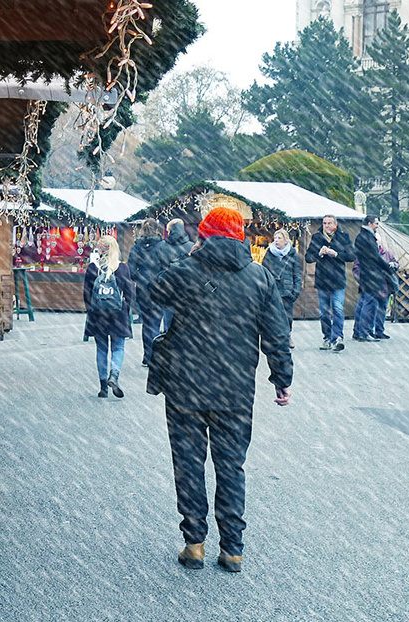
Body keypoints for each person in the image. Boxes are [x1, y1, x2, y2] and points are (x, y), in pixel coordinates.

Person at [147, 207, 293, 574]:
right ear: (241, 237)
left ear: (204, 236)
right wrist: (282, 378)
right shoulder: (260, 277)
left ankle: (194, 543)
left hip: (185, 388)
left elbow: (153, 291)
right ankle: (232, 550)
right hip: (236, 389)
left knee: (188, 465)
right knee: (231, 467)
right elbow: (277, 334)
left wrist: (189, 259)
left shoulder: (187, 270)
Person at [82, 235, 135, 399]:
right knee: (118, 347)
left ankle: (103, 387)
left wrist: (90, 309)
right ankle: (114, 374)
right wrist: (126, 310)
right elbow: (129, 293)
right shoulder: (123, 268)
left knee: (102, 349)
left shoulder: (92, 267)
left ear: (100, 249)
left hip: (98, 315)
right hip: (118, 314)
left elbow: (86, 293)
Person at [306, 215, 356, 351]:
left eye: (329, 223)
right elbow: (308, 258)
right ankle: (327, 337)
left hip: (338, 280)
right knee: (324, 313)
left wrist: (337, 254)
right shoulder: (317, 237)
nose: (326, 226)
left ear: (336, 224)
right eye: (324, 223)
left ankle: (338, 338)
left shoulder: (343, 237)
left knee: (338, 309)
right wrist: (319, 254)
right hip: (322, 280)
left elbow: (352, 255)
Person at [131, 219, 170, 367]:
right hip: (158, 289)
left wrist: (141, 278)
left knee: (146, 324)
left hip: (142, 289)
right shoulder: (163, 246)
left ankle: (147, 355)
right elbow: (167, 267)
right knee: (155, 323)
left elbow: (131, 271)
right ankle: (153, 357)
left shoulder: (136, 247)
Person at [352, 216, 395, 342]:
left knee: (363, 302)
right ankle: (364, 333)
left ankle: (358, 332)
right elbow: (375, 257)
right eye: (376, 223)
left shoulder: (361, 236)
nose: (377, 225)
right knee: (369, 304)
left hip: (366, 274)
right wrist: (388, 267)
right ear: (369, 223)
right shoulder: (368, 237)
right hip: (371, 275)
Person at [262, 228, 303, 324]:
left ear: (286, 240)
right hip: (272, 291)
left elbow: (297, 274)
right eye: (275, 238)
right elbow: (263, 272)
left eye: (279, 238)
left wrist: (295, 292)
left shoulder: (292, 254)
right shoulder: (269, 253)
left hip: (287, 293)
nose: (276, 240)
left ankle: (287, 337)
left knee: (287, 319)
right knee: (272, 319)